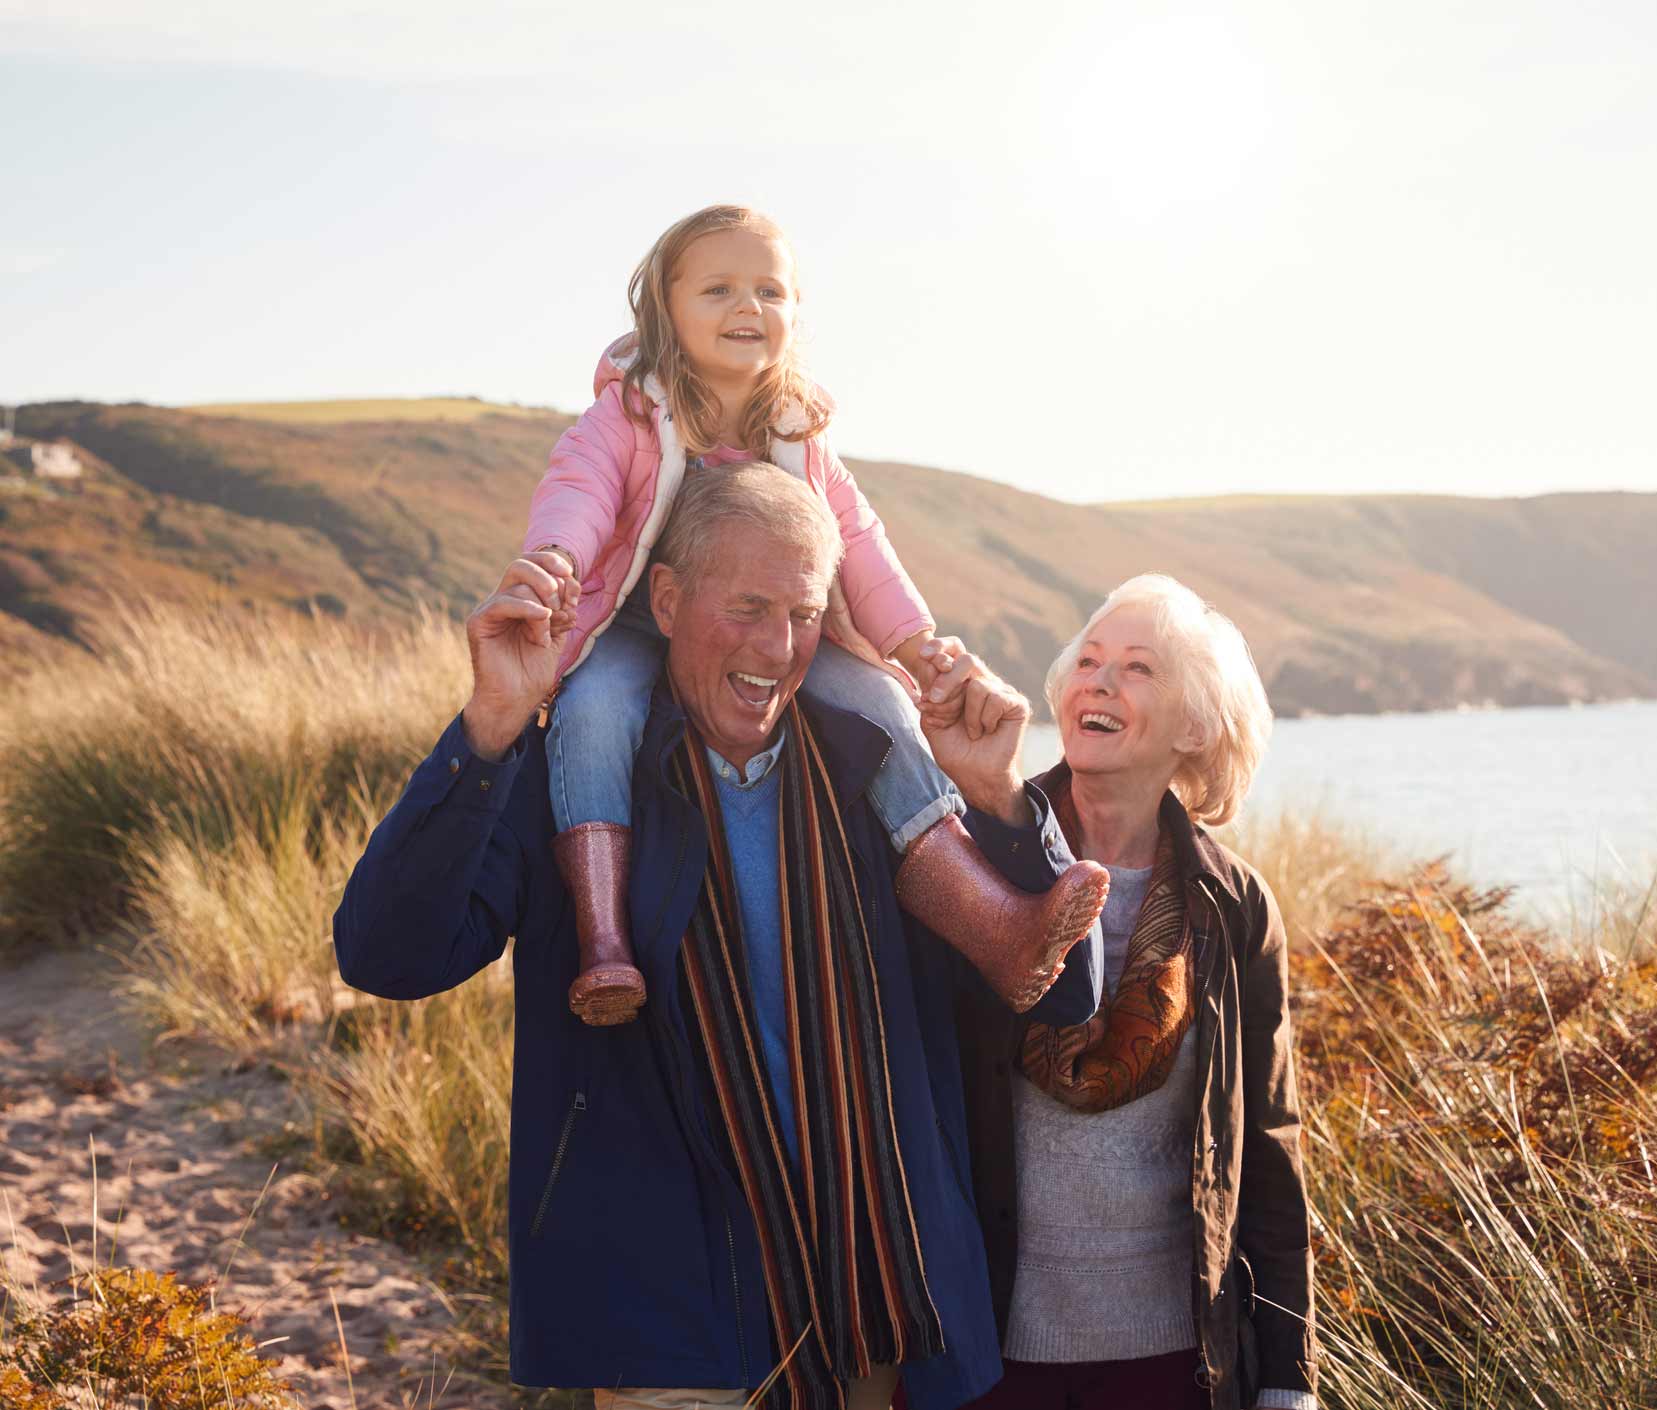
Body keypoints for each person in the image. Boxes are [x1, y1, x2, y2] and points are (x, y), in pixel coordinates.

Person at [333, 464, 1103, 1409]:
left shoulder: (880, 776)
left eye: (805, 614)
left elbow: (1062, 998)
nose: (778, 648)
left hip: (876, 1306)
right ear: (664, 597)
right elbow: (388, 957)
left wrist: (996, 798)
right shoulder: (577, 785)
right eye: (745, 608)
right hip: (666, 1317)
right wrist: (492, 723)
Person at [516, 203, 1105, 1027]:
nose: (747, 307)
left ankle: (996, 924)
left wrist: (913, 641)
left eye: (770, 290)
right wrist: (555, 563)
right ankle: (605, 939)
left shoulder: (799, 435)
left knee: (883, 705)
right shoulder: (629, 415)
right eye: (718, 288)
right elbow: (578, 493)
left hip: (780, 627)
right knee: (593, 712)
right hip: (636, 621)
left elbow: (857, 541)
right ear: (663, 305)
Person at [943, 575, 1318, 1410]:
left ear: (1193, 726)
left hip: (1175, 1361)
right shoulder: (973, 853)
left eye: (1138, 668)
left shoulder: (1233, 906)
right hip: (981, 1352)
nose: (1100, 682)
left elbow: (1267, 1141)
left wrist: (1288, 1374)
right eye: (1088, 661)